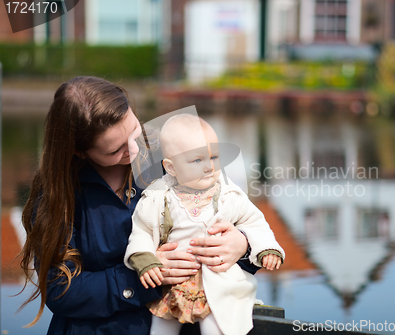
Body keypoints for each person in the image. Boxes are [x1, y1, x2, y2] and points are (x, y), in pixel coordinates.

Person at [19, 76, 255, 335]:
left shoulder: (174, 148)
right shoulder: (57, 194)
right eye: (115, 150)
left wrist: (241, 245)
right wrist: (142, 277)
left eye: (134, 131)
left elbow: (243, 219)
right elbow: (60, 291)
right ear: (78, 151)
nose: (134, 149)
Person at [124, 114, 285, 335]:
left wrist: (265, 247)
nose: (209, 167)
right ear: (171, 168)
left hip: (217, 284)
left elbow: (254, 222)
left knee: (216, 326)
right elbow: (141, 230)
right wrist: (144, 258)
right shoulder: (158, 198)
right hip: (173, 285)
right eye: (197, 160)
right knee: (161, 327)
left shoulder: (229, 195)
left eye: (214, 157)